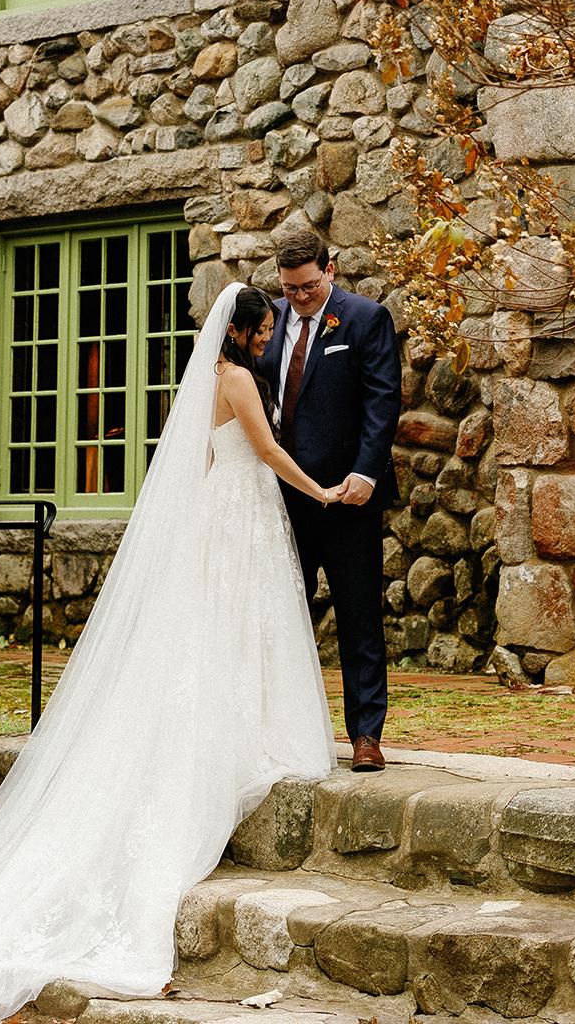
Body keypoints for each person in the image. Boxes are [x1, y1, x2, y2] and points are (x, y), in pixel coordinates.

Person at [0, 283, 340, 1024]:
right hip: (244, 513)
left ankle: (243, 718)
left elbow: (195, 465)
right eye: (263, 328)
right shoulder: (240, 380)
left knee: (229, 631)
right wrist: (319, 491)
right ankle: (250, 730)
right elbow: (267, 450)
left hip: (225, 510)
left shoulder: (205, 383)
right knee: (242, 627)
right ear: (247, 331)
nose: (266, 337)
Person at [258, 226, 402, 774]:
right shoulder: (267, 320)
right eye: (290, 288)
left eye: (309, 288)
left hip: (347, 497)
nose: (299, 299)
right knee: (278, 613)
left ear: (331, 270)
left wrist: (365, 473)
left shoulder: (365, 318)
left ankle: (366, 734)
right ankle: (277, 729)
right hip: (283, 497)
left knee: (359, 615)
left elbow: (382, 400)